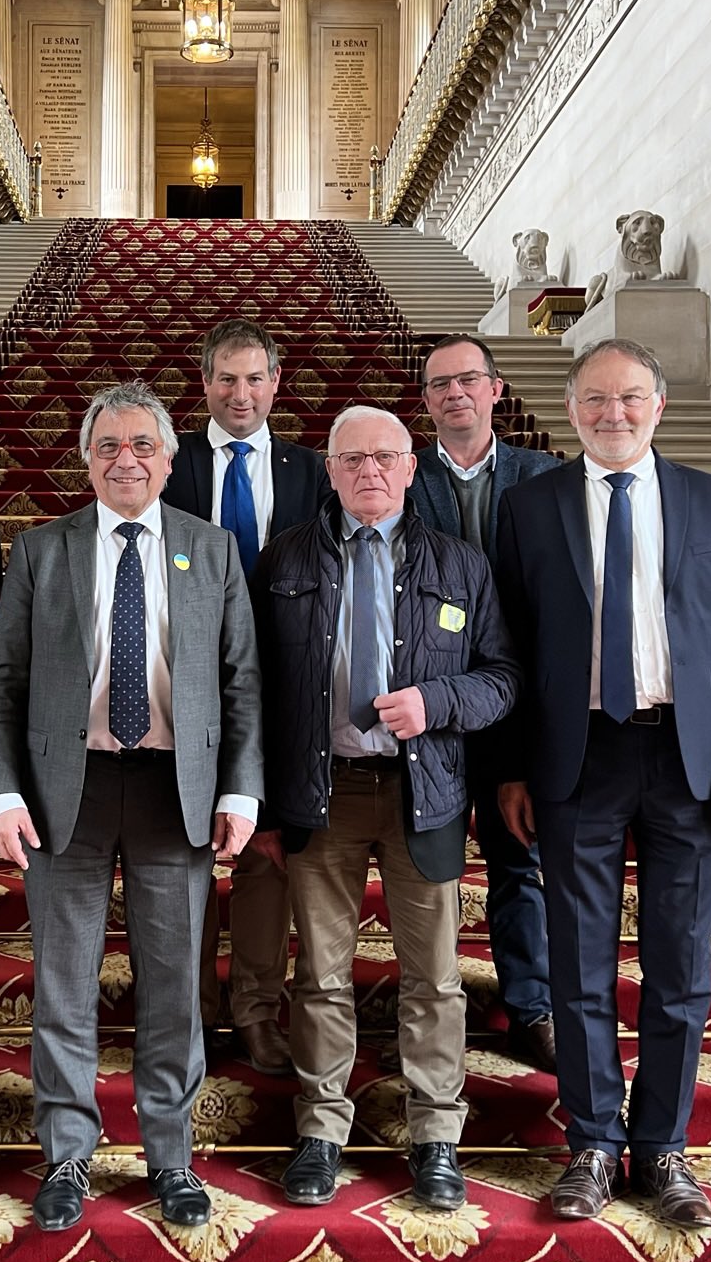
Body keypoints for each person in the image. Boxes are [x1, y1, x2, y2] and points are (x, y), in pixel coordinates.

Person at [492, 337, 711, 1229]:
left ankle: (663, 1147)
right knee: (579, 962)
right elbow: (504, 647)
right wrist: (508, 769)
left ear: (659, 405)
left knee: (678, 965)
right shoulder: (529, 507)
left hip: (688, 762)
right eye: (593, 399)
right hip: (578, 758)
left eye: (630, 398)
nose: (611, 414)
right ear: (570, 407)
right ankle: (591, 1143)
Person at [0, 381, 264, 1233]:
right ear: (86, 458)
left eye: (143, 445)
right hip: (68, 792)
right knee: (63, 983)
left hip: (179, 789)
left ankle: (170, 1157)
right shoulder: (41, 550)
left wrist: (240, 787)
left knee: (173, 987)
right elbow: (1, 681)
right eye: (109, 446)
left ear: (170, 460)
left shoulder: (211, 551)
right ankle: (68, 1153)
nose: (126, 459)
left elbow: (243, 680)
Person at [250, 405, 519, 1213]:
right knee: (321, 974)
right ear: (328, 471)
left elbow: (502, 679)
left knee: (434, 978)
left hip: (423, 793)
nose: (370, 471)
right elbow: (251, 689)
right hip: (319, 792)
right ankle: (321, 1131)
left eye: (386, 457)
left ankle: (436, 1135)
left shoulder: (461, 564)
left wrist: (436, 700)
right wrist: (260, 801)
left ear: (411, 469)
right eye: (352, 458)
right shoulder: (282, 560)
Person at [160, 319, 328, 1077]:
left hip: (287, 691)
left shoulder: (309, 471)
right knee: (183, 849)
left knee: (268, 856)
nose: (240, 393)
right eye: (226, 378)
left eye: (255, 378)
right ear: (203, 384)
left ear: (275, 384)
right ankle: (189, 1012)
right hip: (183, 683)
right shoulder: (167, 460)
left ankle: (258, 1009)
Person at [406, 334, 561, 1074]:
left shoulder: (546, 476)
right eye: (440, 385)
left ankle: (532, 1004)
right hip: (428, 707)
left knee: (517, 859)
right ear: (427, 400)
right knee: (426, 867)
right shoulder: (400, 478)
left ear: (496, 390)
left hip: (515, 702)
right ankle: (429, 1003)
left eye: (468, 380)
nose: (455, 394)